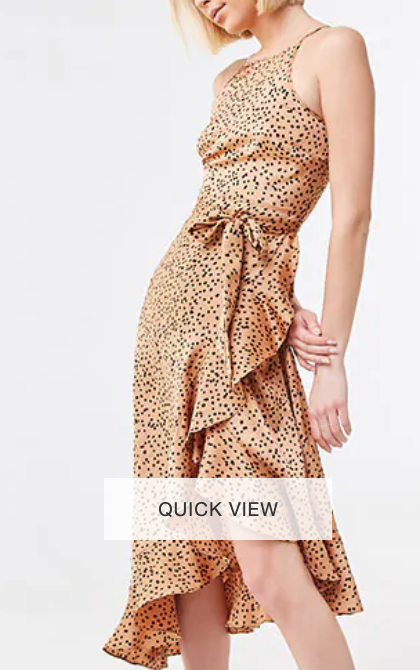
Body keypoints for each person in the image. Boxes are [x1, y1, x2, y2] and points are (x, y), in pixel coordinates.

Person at [103, 1, 375, 668]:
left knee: (269, 564)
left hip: (239, 342)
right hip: (173, 318)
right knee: (190, 557)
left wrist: (332, 361)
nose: (202, 2)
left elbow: (353, 217)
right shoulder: (228, 80)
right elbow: (228, 214)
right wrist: (281, 304)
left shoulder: (335, 50)